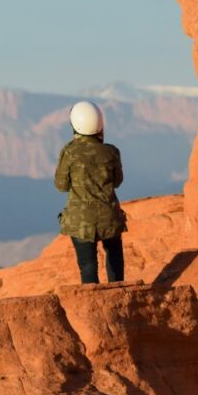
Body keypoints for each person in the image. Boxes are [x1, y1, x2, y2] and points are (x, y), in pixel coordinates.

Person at [54, 101, 126, 284]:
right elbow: (117, 182)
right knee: (115, 259)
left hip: (80, 221)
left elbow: (61, 185)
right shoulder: (111, 152)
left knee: (88, 266)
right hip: (109, 217)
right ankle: (118, 297)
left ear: (74, 125)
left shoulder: (69, 152)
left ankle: (93, 306)